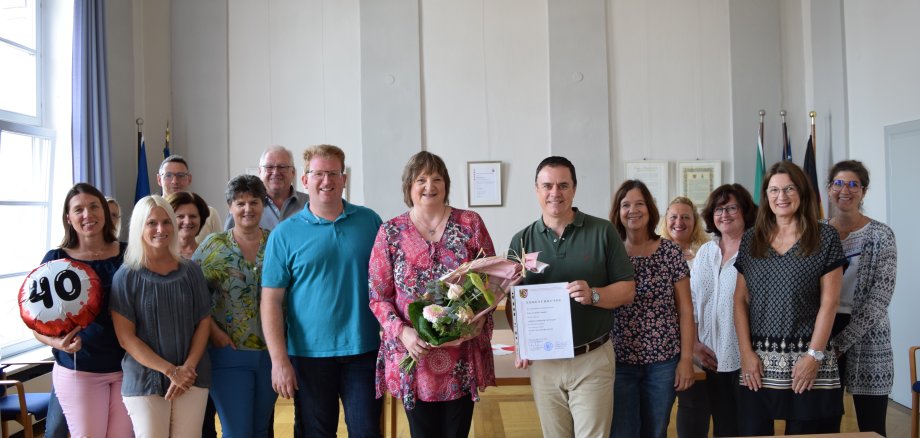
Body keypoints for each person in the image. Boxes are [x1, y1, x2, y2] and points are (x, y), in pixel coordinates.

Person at [368, 151, 496, 437]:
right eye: (421, 180)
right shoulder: (390, 232)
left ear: (446, 185)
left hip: (460, 356)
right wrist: (403, 332)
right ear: (409, 187)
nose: (429, 186)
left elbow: (491, 281)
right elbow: (378, 296)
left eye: (437, 179)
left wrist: (475, 322)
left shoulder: (470, 224)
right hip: (415, 356)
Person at [507, 156, 636, 438]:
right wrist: (521, 341)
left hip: (591, 359)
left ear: (574, 189)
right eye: (548, 186)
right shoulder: (521, 241)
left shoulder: (603, 231)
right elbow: (513, 300)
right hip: (544, 365)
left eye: (563, 185)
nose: (556, 193)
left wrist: (595, 294)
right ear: (536, 190)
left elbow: (628, 289)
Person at [261, 144, 383, 437]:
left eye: (333, 173)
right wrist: (279, 361)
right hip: (308, 356)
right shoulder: (284, 234)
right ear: (304, 180)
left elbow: (387, 284)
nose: (326, 181)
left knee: (367, 432)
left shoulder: (370, 222)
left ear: (344, 179)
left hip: (364, 351)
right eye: (318, 174)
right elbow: (271, 301)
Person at [733, 161, 846, 435]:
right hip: (758, 363)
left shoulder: (825, 237)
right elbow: (740, 301)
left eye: (788, 189)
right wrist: (746, 353)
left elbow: (830, 303)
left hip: (808, 361)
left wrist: (813, 356)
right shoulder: (751, 239)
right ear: (766, 196)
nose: (780, 197)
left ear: (802, 192)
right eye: (773, 190)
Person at [32, 183, 132, 437]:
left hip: (129, 367)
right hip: (80, 370)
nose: (88, 215)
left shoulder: (130, 254)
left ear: (105, 212)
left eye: (93, 206)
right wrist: (58, 343)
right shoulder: (55, 259)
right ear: (69, 217)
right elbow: (37, 324)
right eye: (79, 209)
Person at [111, 195, 212, 436]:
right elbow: (127, 338)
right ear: (139, 227)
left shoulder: (191, 271)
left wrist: (186, 370)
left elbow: (203, 322)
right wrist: (170, 371)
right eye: (152, 223)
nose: (161, 229)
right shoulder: (126, 277)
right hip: (146, 381)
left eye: (167, 222)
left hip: (191, 377)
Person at [609, 180, 695, 438]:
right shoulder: (610, 252)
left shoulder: (670, 252)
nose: (632, 210)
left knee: (655, 432)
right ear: (618, 211)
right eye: (626, 205)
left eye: (639, 204)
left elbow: (686, 311)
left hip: (663, 362)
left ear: (650, 209)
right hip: (619, 360)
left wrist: (687, 360)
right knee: (623, 432)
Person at [193, 175, 277, 437]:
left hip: (271, 354)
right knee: (237, 432)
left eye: (254, 202)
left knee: (261, 430)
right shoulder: (213, 246)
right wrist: (213, 332)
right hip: (228, 353)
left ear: (263, 205)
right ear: (230, 206)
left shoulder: (278, 242)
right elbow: (193, 296)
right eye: (240, 203)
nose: (248, 209)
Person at [679, 184, 757, 437]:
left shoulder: (758, 250)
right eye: (718, 209)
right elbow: (689, 301)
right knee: (722, 427)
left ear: (745, 211)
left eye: (732, 207)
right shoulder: (705, 252)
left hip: (746, 354)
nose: (724, 214)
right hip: (709, 355)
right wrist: (694, 345)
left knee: (748, 426)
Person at [825, 160, 897, 436]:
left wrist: (843, 341)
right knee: (824, 420)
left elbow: (881, 295)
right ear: (830, 188)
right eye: (839, 183)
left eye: (854, 184)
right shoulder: (818, 232)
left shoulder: (881, 234)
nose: (846, 190)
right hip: (824, 334)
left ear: (863, 192)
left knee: (872, 424)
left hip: (869, 337)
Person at [225, 145, 309, 230]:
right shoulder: (242, 208)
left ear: (293, 172)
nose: (275, 172)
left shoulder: (310, 204)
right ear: (260, 172)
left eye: (282, 167)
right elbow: (229, 239)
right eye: (269, 167)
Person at [157, 154, 222, 242]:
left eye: (181, 175)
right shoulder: (150, 213)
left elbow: (220, 251)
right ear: (159, 179)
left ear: (189, 179)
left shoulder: (209, 215)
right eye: (168, 175)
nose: (175, 181)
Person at [659, 196, 709, 262]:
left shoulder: (707, 251)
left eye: (685, 217)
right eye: (673, 217)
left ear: (695, 221)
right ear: (666, 221)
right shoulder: (655, 253)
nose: (679, 222)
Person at [167, 191, 210, 259]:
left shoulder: (210, 256)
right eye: (180, 216)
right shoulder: (158, 254)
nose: (187, 222)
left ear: (201, 219)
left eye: (193, 216)